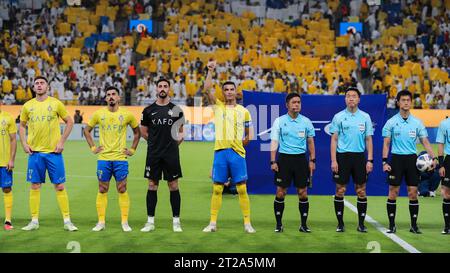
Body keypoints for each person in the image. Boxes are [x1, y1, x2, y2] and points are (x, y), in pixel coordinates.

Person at [202, 60, 255, 233]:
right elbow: (207, 89)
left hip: (237, 154)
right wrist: (210, 71)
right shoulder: (218, 107)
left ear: (236, 92)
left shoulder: (244, 111)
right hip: (220, 153)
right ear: (223, 93)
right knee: (217, 188)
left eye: (232, 89)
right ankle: (212, 223)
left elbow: (249, 134)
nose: (229, 92)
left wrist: (241, 144)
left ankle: (247, 223)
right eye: (226, 89)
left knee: (241, 188)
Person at [19, 76, 78, 231]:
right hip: (35, 153)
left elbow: (70, 121)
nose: (39, 85)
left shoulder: (55, 103)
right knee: (35, 185)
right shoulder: (27, 106)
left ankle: (67, 221)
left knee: (59, 186)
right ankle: (34, 221)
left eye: (42, 83)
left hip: (53, 153)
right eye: (36, 83)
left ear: (47, 87)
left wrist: (62, 141)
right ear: (33, 87)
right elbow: (22, 126)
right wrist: (24, 143)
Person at [83, 86, 140, 232]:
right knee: (102, 189)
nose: (111, 97)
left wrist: (132, 149)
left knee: (122, 188)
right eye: (108, 95)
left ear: (119, 98)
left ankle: (125, 222)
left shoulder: (127, 114)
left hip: (121, 158)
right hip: (103, 158)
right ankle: (101, 222)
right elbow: (86, 131)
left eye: (113, 94)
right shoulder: (99, 114)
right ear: (105, 98)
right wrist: (93, 148)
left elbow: (137, 132)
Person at [382, 90, 437, 234]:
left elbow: (425, 141)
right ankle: (391, 225)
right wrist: (384, 162)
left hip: (412, 160)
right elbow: (386, 144)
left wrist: (434, 158)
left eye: (408, 100)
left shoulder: (417, 122)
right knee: (393, 192)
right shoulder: (391, 122)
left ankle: (414, 225)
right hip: (396, 159)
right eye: (403, 100)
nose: (406, 102)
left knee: (413, 193)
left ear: (410, 102)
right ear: (398, 102)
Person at [140, 78, 185, 232]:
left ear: (169, 89)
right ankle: (150, 222)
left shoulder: (177, 110)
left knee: (173, 185)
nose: (162, 88)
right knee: (152, 185)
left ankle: (176, 222)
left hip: (171, 155)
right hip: (153, 154)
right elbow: (144, 132)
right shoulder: (148, 110)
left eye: (165, 86)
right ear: (156, 89)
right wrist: (155, 144)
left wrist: (172, 146)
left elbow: (181, 133)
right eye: (160, 86)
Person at [270, 92, 316, 233]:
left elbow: (310, 142)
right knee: (280, 192)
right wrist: (273, 161)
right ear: (287, 105)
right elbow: (274, 142)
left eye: (298, 102)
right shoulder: (279, 121)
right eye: (293, 102)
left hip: (301, 160)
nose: (296, 104)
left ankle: (303, 225)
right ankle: (279, 225)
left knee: (302, 192)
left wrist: (312, 160)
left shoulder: (306, 122)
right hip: (284, 159)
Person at [330, 87, 373, 233]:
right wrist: (334, 160)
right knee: (340, 190)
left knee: (361, 191)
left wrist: (370, 160)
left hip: (359, 157)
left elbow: (368, 139)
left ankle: (361, 224)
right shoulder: (338, 117)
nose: (351, 98)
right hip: (342, 157)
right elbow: (334, 140)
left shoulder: (365, 117)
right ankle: (340, 223)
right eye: (348, 96)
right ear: (345, 99)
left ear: (359, 99)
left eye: (354, 96)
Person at [0, 97, 16, 230]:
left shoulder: (8, 118)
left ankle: (8, 220)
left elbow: (13, 140)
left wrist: (11, 159)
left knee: (6, 188)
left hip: (4, 162)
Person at [436, 116, 450, 234]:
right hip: (448, 160)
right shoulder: (444, 124)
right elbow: (440, 144)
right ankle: (447, 226)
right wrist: (441, 165)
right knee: (446, 193)